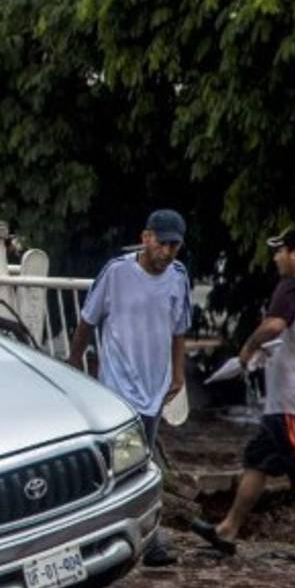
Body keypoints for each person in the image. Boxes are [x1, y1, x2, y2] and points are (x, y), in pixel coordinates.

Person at [68, 208, 191, 567]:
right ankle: (135, 540)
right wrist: (75, 362)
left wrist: (178, 373)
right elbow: (88, 320)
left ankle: (144, 538)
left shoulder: (178, 278)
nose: (168, 253)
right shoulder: (117, 273)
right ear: (146, 237)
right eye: (163, 243)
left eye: (175, 246)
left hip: (154, 388)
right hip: (117, 387)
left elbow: (178, 328)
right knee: (121, 465)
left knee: (140, 466)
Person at [192, 226, 295, 555]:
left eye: (279, 251)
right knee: (257, 461)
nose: (275, 258)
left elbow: (275, 325)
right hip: (286, 399)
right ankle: (227, 530)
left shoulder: (293, 286)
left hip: (293, 403)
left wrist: (247, 349)